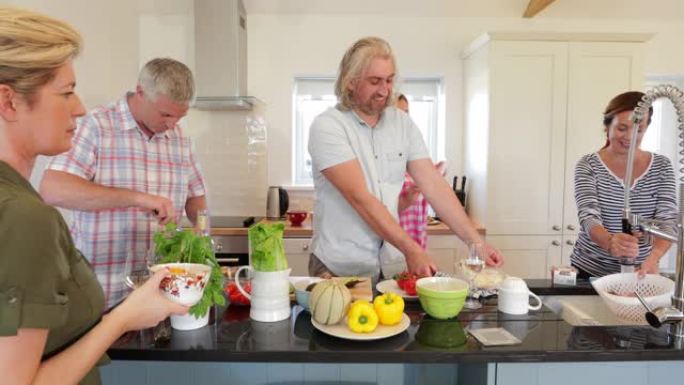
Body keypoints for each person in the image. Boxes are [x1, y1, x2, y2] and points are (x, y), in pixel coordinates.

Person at [0, 7, 186, 385]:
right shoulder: (26, 217)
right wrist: (124, 317)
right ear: (8, 102)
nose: (80, 107)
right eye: (66, 92)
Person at [307, 37, 503, 280]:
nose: (385, 90)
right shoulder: (328, 127)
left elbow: (434, 184)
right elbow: (360, 198)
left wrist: (477, 243)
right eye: (374, 81)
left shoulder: (403, 124)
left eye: (389, 80)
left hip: (390, 265)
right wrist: (412, 248)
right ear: (350, 82)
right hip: (339, 267)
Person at [40, 57, 208, 309]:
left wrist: (200, 231)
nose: (172, 124)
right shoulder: (95, 126)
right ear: (140, 92)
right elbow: (52, 189)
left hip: (160, 296)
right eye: (165, 114)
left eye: (180, 117)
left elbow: (196, 196)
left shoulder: (180, 138)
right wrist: (138, 198)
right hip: (99, 296)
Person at [571, 91, 678, 278]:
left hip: (642, 272)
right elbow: (589, 216)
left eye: (639, 129)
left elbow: (667, 221)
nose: (630, 136)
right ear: (607, 125)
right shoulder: (588, 165)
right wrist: (610, 242)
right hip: (591, 271)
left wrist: (653, 258)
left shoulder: (662, 166)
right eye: (622, 128)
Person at [395, 93, 446, 250]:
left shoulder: (410, 148)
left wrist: (435, 175)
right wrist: (408, 198)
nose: (404, 118)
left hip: (417, 242)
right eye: (398, 113)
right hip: (394, 246)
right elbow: (376, 212)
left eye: (406, 112)